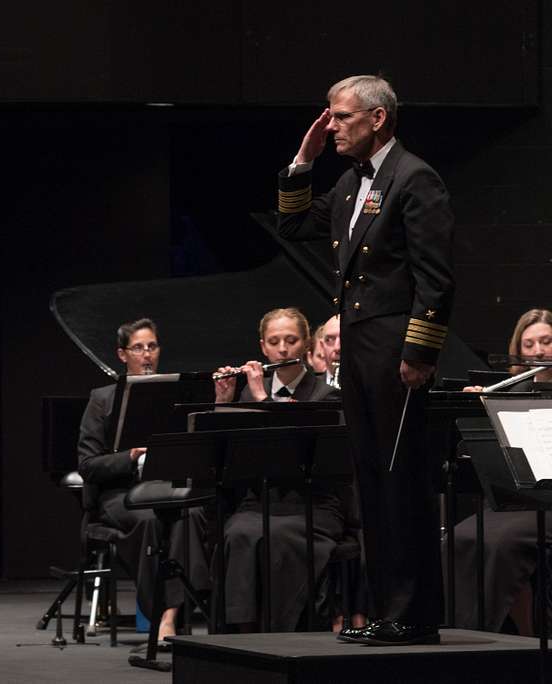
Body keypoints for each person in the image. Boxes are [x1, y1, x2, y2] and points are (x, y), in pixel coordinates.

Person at [277, 74, 455, 645]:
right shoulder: (355, 185)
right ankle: (387, 610)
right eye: (328, 117)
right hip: (358, 348)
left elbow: (435, 278)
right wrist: (302, 161)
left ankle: (414, 613)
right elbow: (295, 224)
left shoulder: (414, 177)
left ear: (377, 119)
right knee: (372, 481)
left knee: (402, 479)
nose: (331, 127)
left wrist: (419, 353)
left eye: (341, 117)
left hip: (396, 352)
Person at [212, 307, 348, 632]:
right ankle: (242, 633)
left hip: (313, 504)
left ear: (305, 345)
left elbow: (299, 453)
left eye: (291, 340)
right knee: (236, 532)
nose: (283, 349)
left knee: (277, 537)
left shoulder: (326, 396)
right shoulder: (245, 394)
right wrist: (225, 402)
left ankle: (282, 633)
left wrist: (262, 398)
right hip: (260, 501)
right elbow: (225, 457)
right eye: (274, 342)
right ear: (263, 347)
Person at [76, 318, 211, 644]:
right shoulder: (102, 399)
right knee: (150, 521)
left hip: (168, 487)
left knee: (191, 515)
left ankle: (171, 616)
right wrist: (131, 456)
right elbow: (88, 466)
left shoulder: (176, 395)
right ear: (123, 355)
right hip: (119, 495)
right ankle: (159, 615)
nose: (147, 354)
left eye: (152, 346)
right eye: (138, 347)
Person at [452, 309, 552, 634]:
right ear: (518, 352)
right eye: (529, 344)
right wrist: (477, 412)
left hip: (547, 504)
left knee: (502, 544)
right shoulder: (508, 396)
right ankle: (476, 635)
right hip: (511, 503)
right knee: (461, 536)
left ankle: (520, 636)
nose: (538, 351)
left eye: (546, 341)